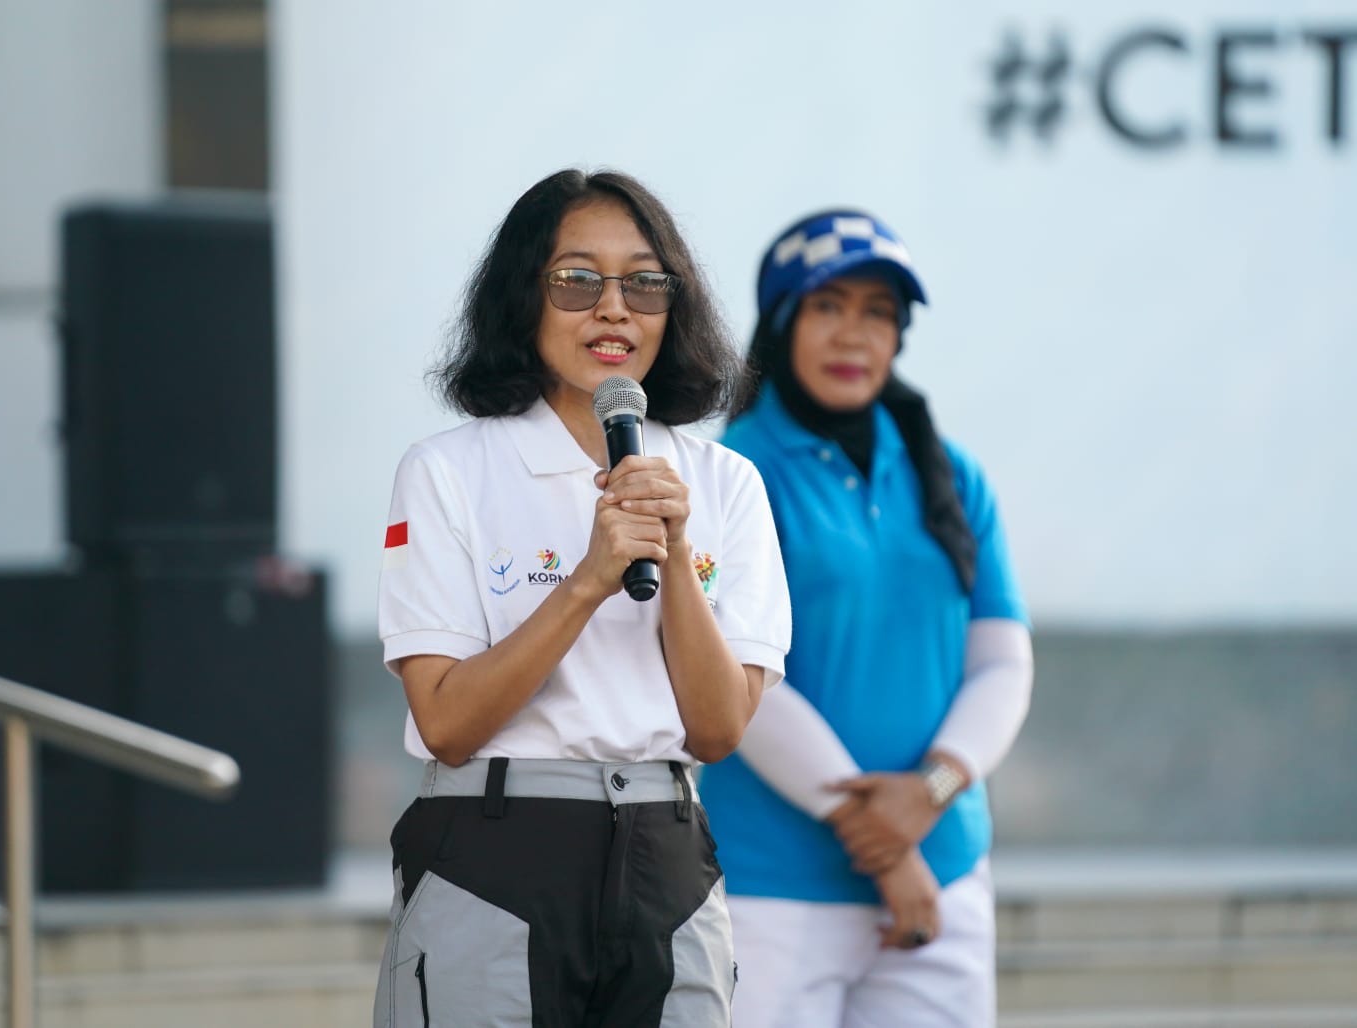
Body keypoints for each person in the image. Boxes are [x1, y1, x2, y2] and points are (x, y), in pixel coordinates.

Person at [372, 168, 791, 1028]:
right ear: (522, 298)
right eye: (576, 280)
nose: (613, 309)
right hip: (493, 850)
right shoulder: (449, 471)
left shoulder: (725, 483)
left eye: (643, 282)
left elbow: (717, 729)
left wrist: (673, 552)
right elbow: (448, 723)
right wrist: (588, 582)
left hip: (665, 856)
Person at [698, 209, 1035, 1028]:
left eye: (878, 313)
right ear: (780, 324)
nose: (854, 335)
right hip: (774, 886)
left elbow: (1002, 660)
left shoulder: (950, 472)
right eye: (828, 306)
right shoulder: (729, 474)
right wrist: (878, 839)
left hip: (944, 872)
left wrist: (933, 791)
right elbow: (734, 681)